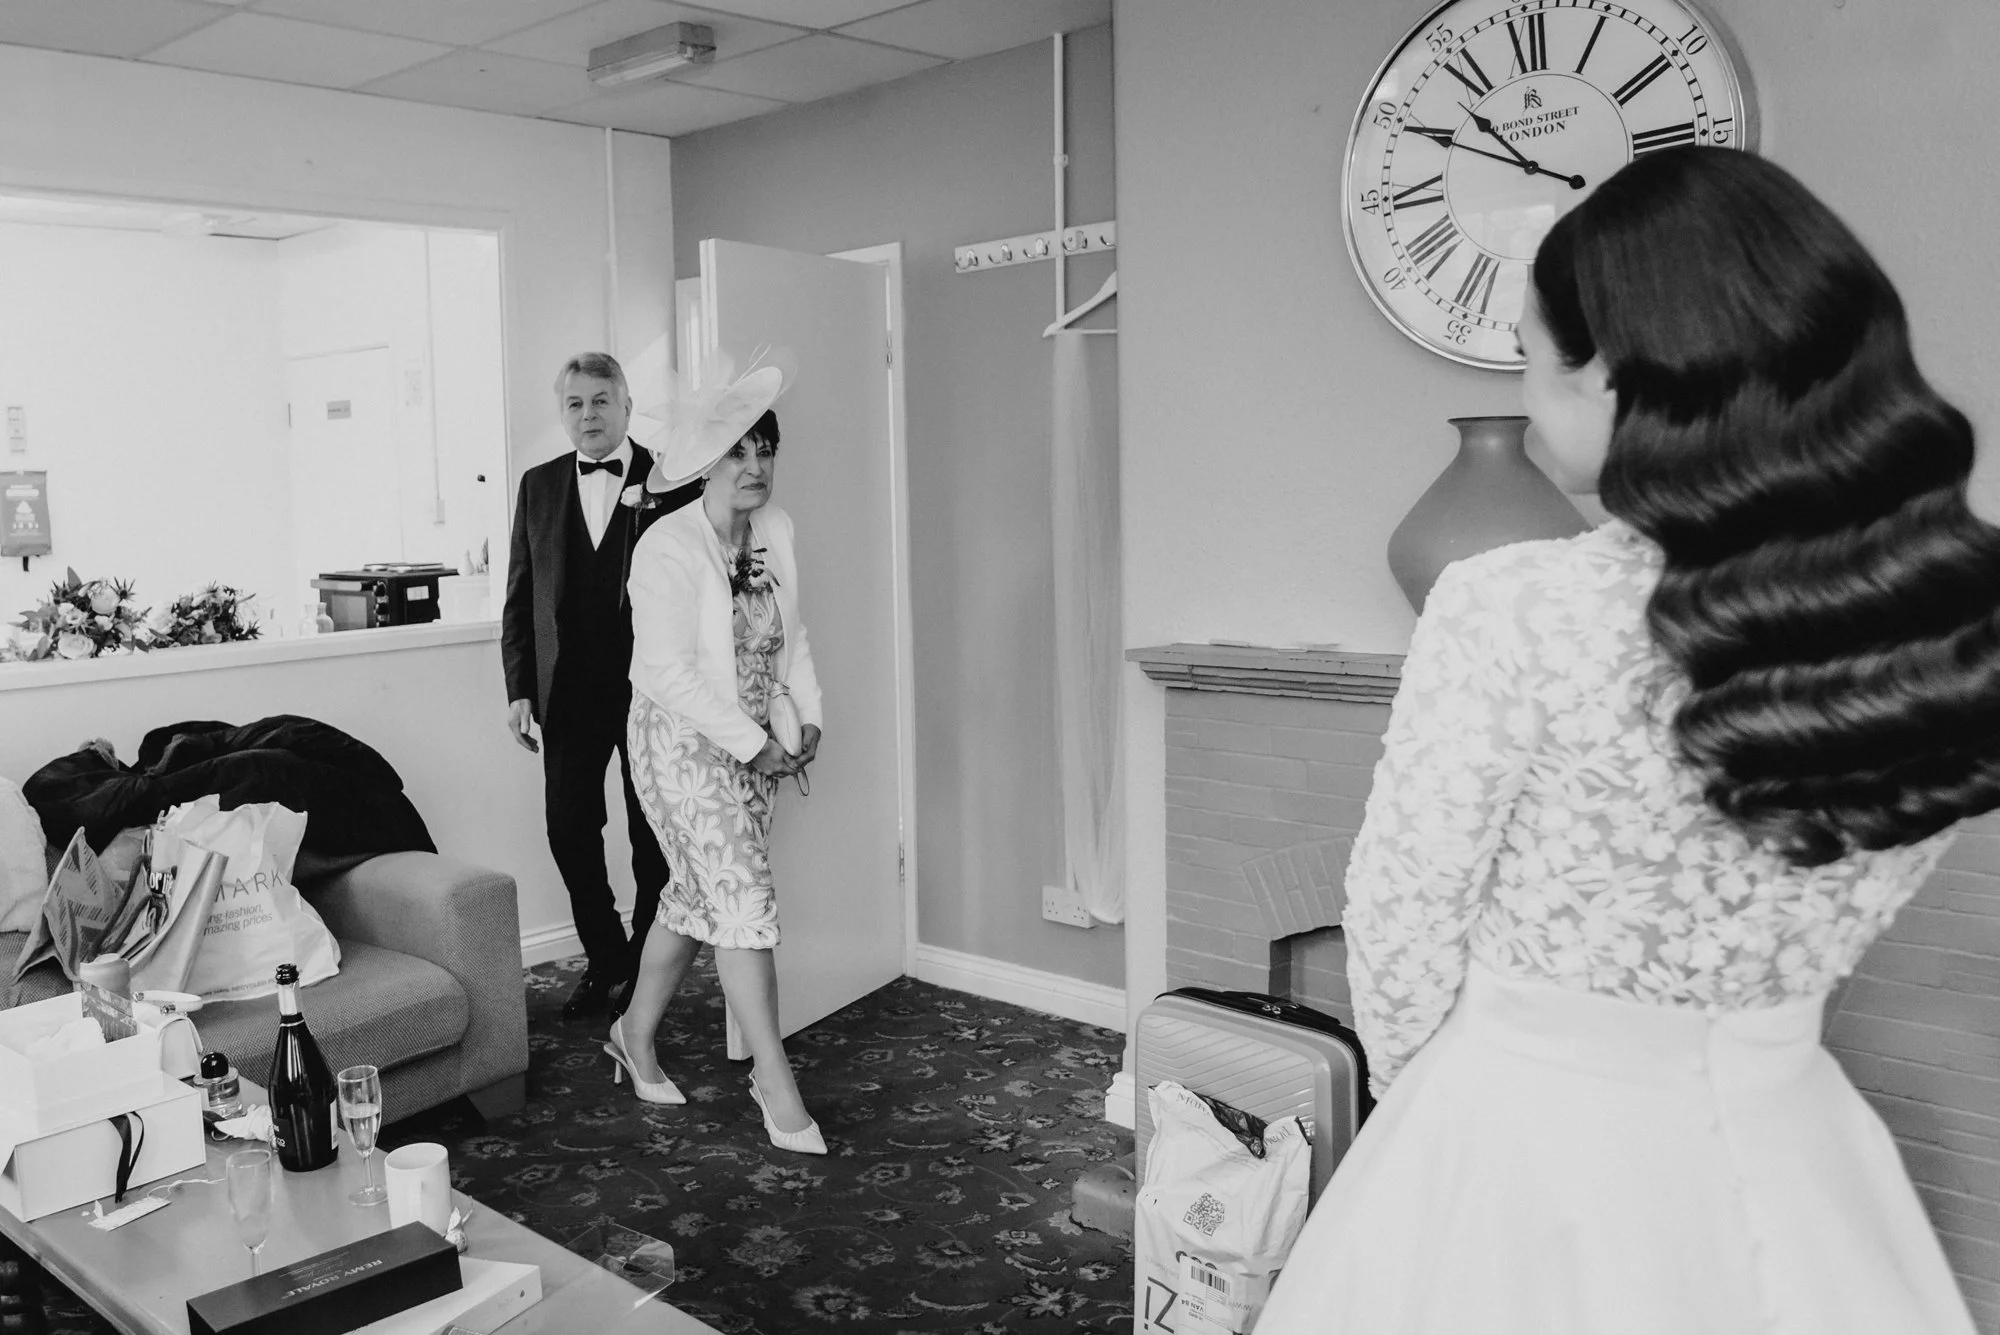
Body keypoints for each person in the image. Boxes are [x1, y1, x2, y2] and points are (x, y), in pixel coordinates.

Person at [1258, 147, 1992, 1335]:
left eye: (1529, 357)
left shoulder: (1510, 604)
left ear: (1609, 375)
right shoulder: (1944, 626)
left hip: (1520, 1142)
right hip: (1787, 1139)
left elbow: (1401, 920)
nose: (1523, 391)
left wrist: (1425, 1122)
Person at [611, 353, 828, 1156]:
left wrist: (808, 717)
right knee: (740, 897)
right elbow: (667, 673)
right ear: (706, 460)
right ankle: (774, 1078)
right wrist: (753, 743)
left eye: (765, 448)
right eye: (737, 451)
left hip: (754, 745)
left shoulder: (777, 530)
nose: (755, 465)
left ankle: (632, 1033)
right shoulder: (666, 546)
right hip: (678, 744)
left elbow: (790, 636)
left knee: (695, 899)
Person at [502, 353, 700, 1020]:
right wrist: (519, 687)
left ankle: (644, 965)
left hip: (650, 691)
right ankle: (606, 957)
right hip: (566, 692)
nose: (587, 415)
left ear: (625, 405)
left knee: (652, 835)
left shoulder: (671, 480)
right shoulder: (538, 485)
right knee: (568, 828)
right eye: (575, 404)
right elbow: (520, 594)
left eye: (600, 401)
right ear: (563, 413)